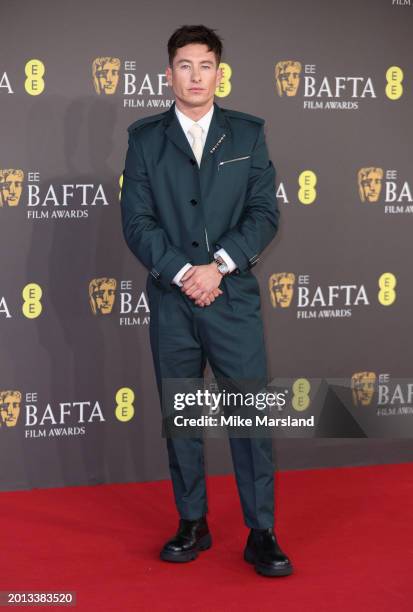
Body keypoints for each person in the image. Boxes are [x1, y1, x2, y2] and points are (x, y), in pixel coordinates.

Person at [120, 24, 293, 577]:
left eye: (206, 65)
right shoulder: (145, 138)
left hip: (232, 298)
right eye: (185, 65)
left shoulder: (247, 134)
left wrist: (217, 266)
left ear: (220, 72)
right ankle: (192, 520)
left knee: (249, 419)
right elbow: (137, 221)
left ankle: (261, 530)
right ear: (169, 73)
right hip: (173, 303)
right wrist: (180, 272)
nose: (196, 76)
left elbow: (264, 213)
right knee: (182, 417)